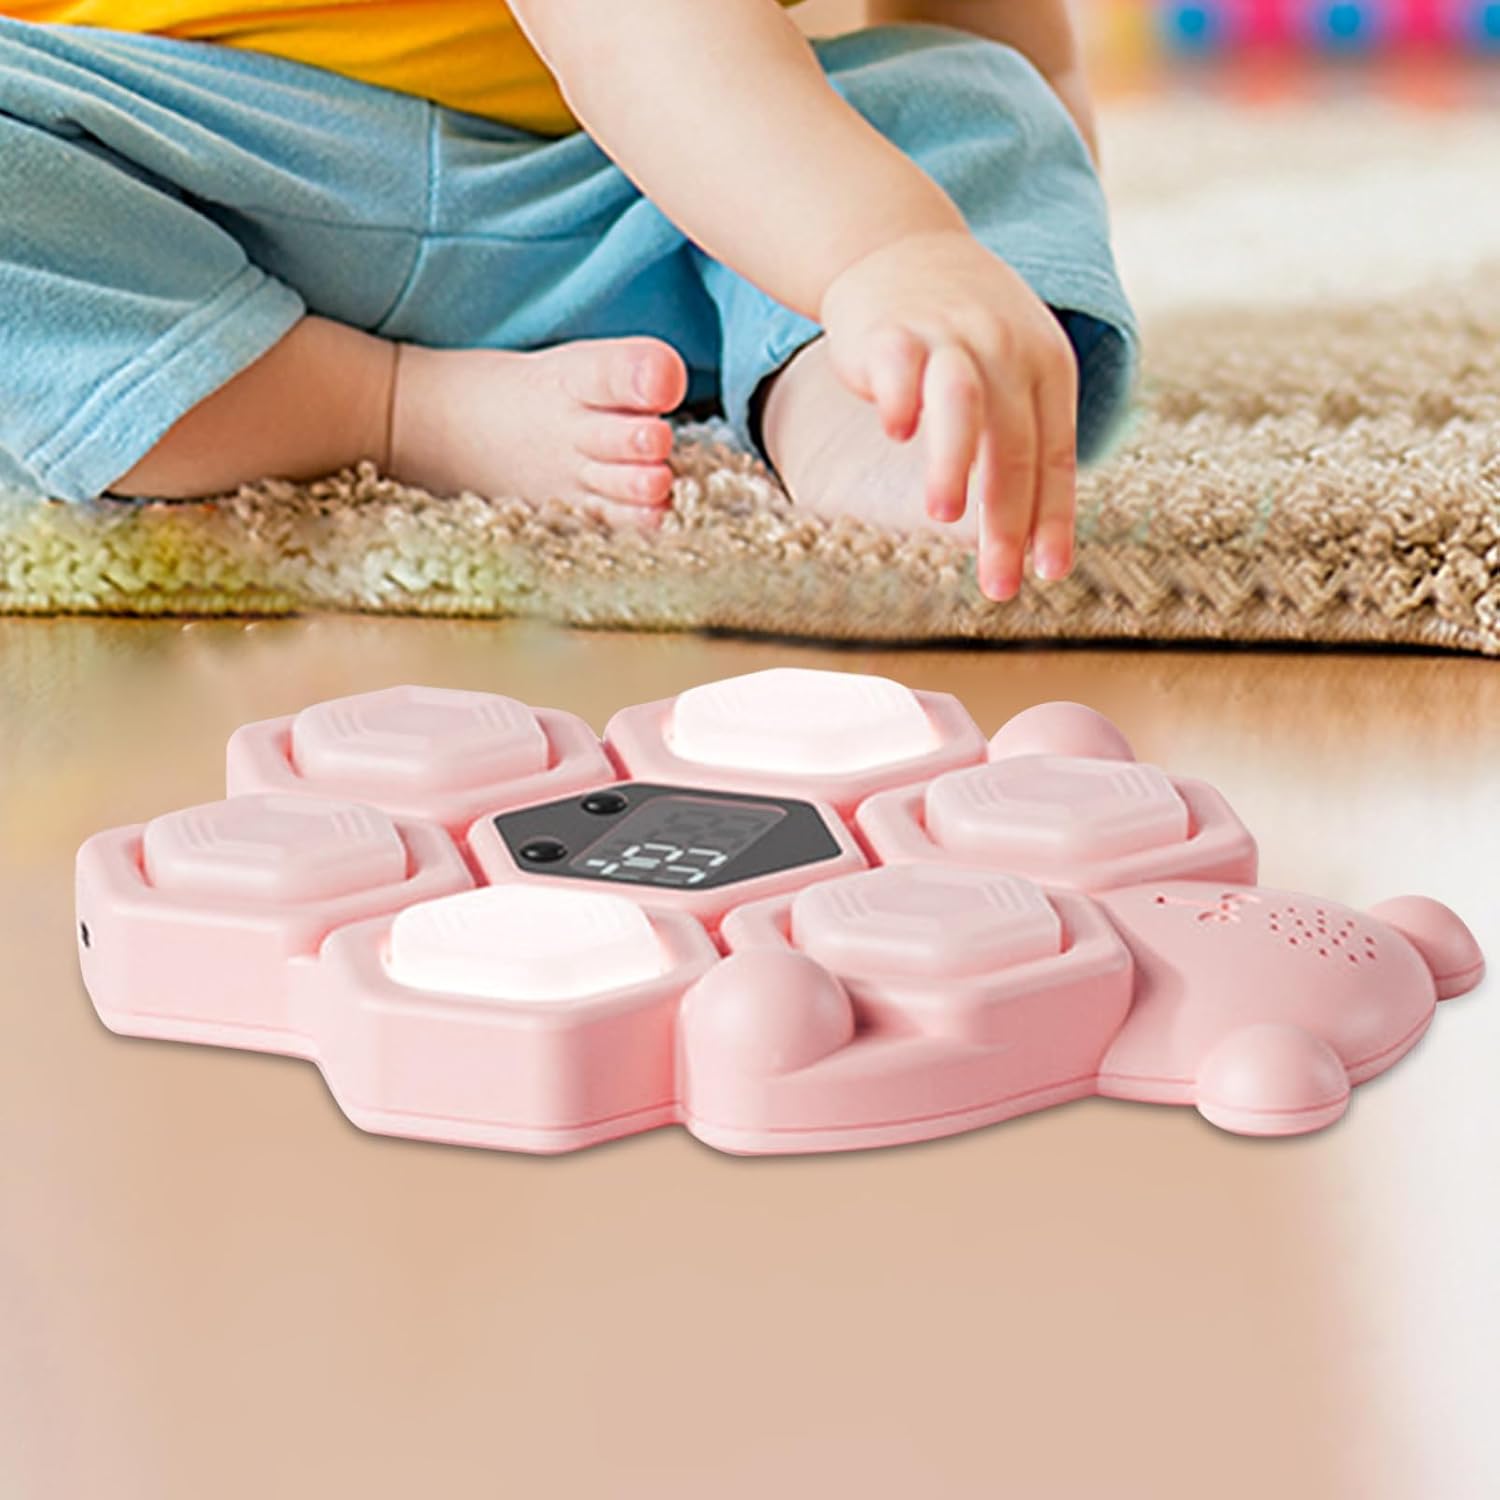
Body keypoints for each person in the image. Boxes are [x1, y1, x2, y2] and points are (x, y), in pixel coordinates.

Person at [0, 0, 1136, 601]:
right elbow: (628, 29)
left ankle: (871, 409)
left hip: (664, 192)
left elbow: (1011, 49)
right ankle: (373, 406)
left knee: (967, 98)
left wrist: (969, 264)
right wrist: (888, 245)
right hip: (200, 171)